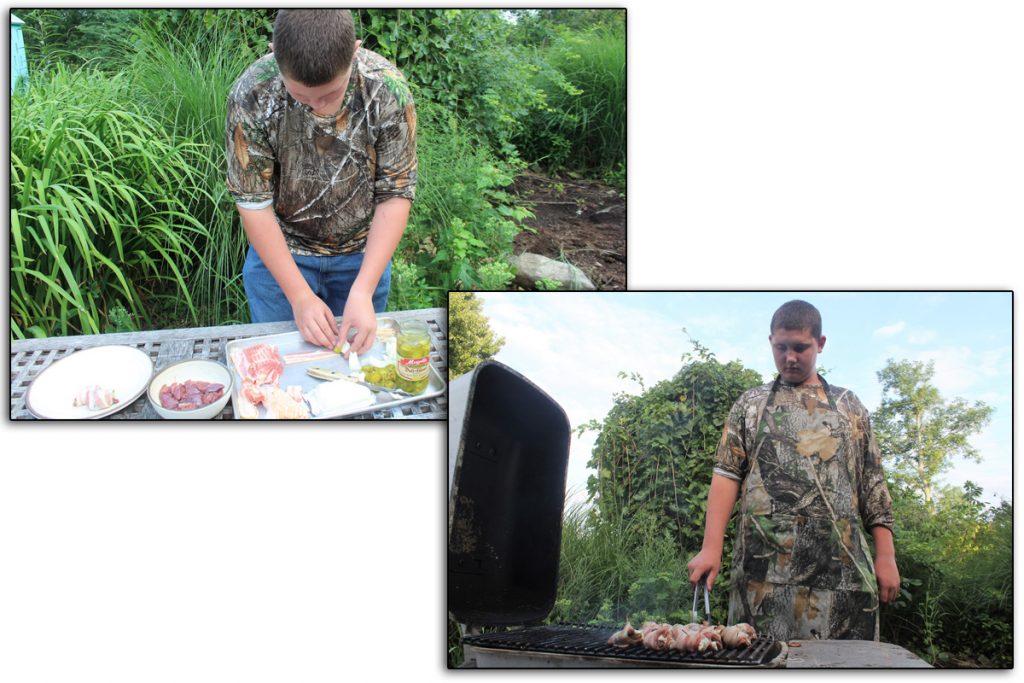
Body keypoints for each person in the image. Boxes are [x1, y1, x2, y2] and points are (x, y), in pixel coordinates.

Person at [687, 300, 900, 641]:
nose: (789, 357)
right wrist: (711, 547)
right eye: (780, 347)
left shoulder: (850, 407)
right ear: (770, 341)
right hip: (762, 577)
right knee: (758, 663)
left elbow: (872, 482)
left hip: (843, 575)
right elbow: (726, 474)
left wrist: (886, 556)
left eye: (800, 348)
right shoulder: (750, 404)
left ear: (821, 344)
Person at [225, 9, 416, 354]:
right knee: (280, 373)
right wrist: (298, 295)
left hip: (362, 258)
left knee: (355, 371)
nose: (317, 108)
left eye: (329, 94)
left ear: (354, 52)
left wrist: (363, 290)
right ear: (274, 53)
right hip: (280, 259)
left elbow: (396, 194)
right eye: (300, 96)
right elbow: (253, 203)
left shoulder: (387, 89)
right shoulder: (251, 93)